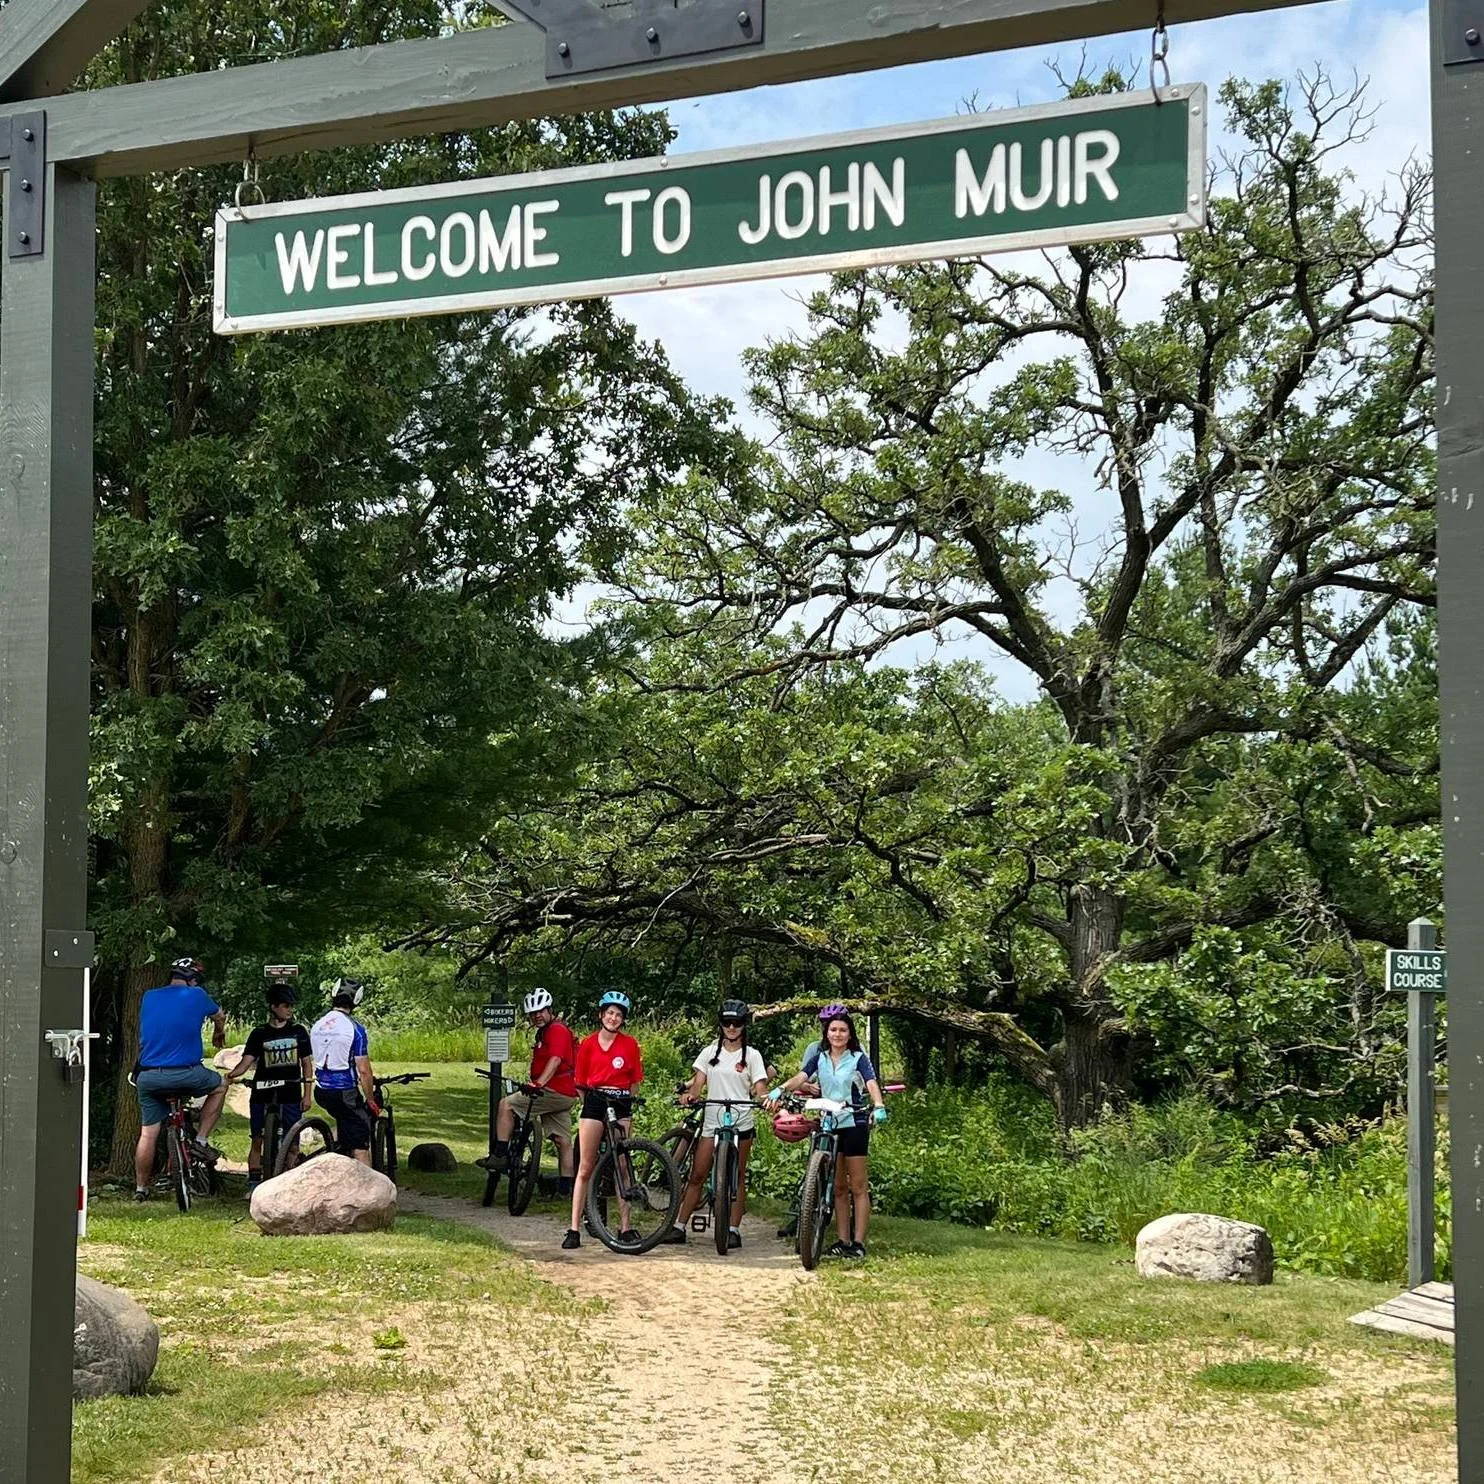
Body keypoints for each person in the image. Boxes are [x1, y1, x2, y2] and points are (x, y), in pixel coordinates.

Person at [767, 1004, 887, 1258]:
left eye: (843, 1030)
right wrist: (781, 1089)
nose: (837, 1034)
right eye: (833, 1029)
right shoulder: (819, 1057)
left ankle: (858, 1243)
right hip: (828, 1121)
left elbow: (871, 1082)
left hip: (853, 1122)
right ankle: (842, 1240)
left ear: (850, 1034)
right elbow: (802, 1076)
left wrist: (878, 1105)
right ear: (827, 1033)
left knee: (857, 1185)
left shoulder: (858, 1058)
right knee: (839, 1187)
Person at [663, 998, 769, 1249]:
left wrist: (766, 1100)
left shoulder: (753, 1056)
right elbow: (699, 1084)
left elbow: (760, 1088)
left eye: (737, 1023)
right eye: (727, 1023)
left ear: (744, 1025)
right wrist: (691, 1096)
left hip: (742, 1119)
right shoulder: (710, 1053)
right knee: (698, 1173)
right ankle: (679, 1225)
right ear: (720, 1025)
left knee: (739, 1175)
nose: (732, 1028)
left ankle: (733, 1229)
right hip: (713, 1118)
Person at [133, 957, 228, 1202]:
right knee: (220, 1086)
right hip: (187, 1072)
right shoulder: (196, 995)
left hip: (150, 1076)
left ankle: (141, 1189)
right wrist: (219, 1033)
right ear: (192, 979)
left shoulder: (149, 996)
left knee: (148, 1134)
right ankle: (200, 1140)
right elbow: (220, 1016)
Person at [564, 989, 644, 1250]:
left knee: (622, 1164)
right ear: (601, 1015)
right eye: (609, 1013)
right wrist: (588, 1104)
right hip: (595, 1102)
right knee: (586, 1167)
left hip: (621, 1102)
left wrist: (628, 1105)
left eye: (618, 1015)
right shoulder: (587, 1043)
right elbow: (580, 1082)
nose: (613, 1018)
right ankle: (574, 1228)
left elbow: (635, 1081)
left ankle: (625, 1227)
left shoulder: (629, 1044)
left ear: (623, 1019)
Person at [483, 988, 577, 1195]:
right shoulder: (545, 1032)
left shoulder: (557, 1030)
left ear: (549, 1009)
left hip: (552, 1090)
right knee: (563, 1141)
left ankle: (499, 1155)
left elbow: (556, 1059)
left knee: (506, 1105)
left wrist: (538, 1084)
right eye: (533, 1013)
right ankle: (565, 1188)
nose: (537, 1016)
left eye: (541, 1011)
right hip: (565, 1093)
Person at [226, 981, 313, 1186]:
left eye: (291, 1006)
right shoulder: (259, 1034)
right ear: (274, 1007)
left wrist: (307, 1093)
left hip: (290, 1091)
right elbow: (246, 1062)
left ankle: (288, 1180)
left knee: (292, 1143)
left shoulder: (299, 1032)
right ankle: (254, 1182)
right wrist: (230, 1076)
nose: (290, 1010)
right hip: (262, 1091)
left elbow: (307, 1063)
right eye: (286, 1005)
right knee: (257, 1139)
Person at [309, 978, 376, 1166]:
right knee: (360, 1139)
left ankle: (336, 1152)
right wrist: (370, 1099)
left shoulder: (318, 1025)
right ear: (356, 1001)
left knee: (343, 1118)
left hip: (321, 1090)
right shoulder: (356, 1029)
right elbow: (364, 1070)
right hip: (344, 1091)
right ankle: (366, 1187)